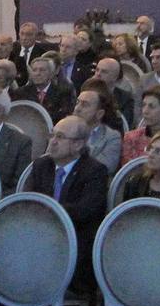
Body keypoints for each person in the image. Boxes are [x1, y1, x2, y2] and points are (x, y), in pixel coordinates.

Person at [26, 116, 111, 295]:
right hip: (39, 242)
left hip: (74, 246)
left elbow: (84, 212)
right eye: (52, 135)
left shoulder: (95, 172)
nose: (53, 142)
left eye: (60, 137)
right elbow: (29, 204)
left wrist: (48, 210)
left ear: (78, 144)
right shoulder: (42, 165)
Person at [72, 81, 123, 174]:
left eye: (84, 105)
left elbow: (104, 168)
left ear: (99, 114)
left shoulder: (111, 137)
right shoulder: (63, 129)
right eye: (77, 102)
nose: (77, 108)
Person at [10, 55, 74, 123]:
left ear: (51, 73)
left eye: (42, 70)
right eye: (34, 70)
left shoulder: (63, 93)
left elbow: (64, 117)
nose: (38, 73)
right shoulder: (20, 93)